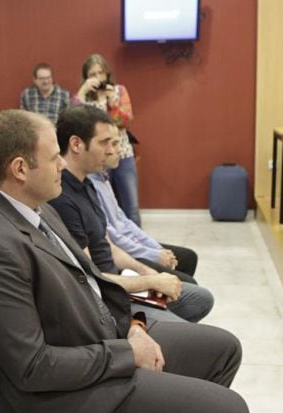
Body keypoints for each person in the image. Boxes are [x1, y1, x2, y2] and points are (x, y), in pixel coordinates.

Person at [0, 109, 251, 413]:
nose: (62, 164)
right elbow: (33, 367)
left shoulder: (39, 208)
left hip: (94, 346)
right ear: (20, 168)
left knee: (222, 349)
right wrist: (128, 354)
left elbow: (93, 282)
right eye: (54, 155)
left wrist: (134, 327)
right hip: (58, 401)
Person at [50, 105, 213, 323]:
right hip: (109, 299)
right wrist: (149, 283)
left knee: (200, 298)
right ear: (76, 144)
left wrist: (145, 271)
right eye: (104, 142)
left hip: (122, 283)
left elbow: (108, 245)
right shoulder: (63, 199)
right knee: (203, 334)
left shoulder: (87, 183)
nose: (111, 151)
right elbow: (89, 279)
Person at [90, 124, 199, 282]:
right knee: (189, 283)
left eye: (118, 143)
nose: (119, 150)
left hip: (128, 245)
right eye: (112, 143)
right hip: (120, 254)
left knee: (188, 257)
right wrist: (154, 255)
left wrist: (158, 249)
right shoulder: (91, 185)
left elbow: (124, 221)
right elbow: (114, 238)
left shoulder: (103, 178)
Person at [75, 53, 141, 226]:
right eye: (92, 74)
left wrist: (112, 103)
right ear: (86, 77)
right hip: (95, 157)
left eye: (100, 73)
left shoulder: (119, 91)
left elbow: (127, 121)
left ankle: (140, 247)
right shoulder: (85, 96)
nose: (98, 78)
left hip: (122, 153)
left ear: (107, 74)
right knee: (103, 205)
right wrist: (83, 91)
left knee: (131, 205)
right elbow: (73, 119)